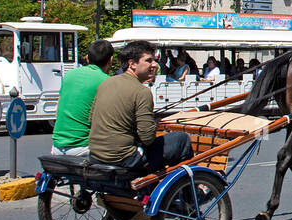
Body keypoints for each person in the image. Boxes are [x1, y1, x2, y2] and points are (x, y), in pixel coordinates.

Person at [89, 40, 189, 172]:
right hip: (126, 159)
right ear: (132, 64)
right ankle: (187, 189)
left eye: (154, 60)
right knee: (181, 139)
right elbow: (147, 138)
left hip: (96, 155)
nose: (155, 65)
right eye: (148, 61)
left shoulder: (106, 83)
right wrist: (154, 124)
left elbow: (91, 119)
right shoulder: (142, 92)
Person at [50, 39, 114, 157]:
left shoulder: (70, 75)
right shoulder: (107, 81)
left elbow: (58, 108)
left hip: (57, 146)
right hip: (83, 147)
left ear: (87, 58)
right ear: (111, 60)